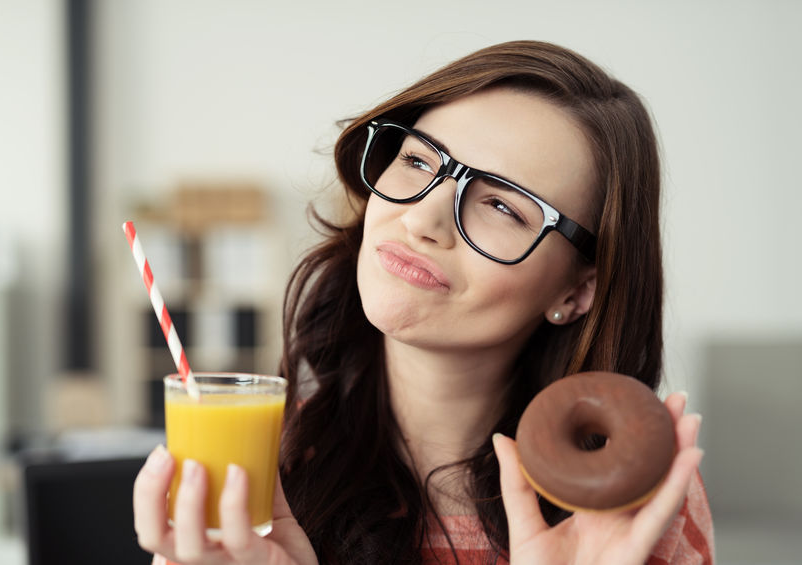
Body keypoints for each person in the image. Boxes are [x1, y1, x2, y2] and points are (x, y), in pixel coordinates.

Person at [133, 40, 714, 564]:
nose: (423, 219)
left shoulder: (630, 508)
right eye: (418, 161)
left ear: (577, 289)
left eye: (502, 206)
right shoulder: (258, 476)